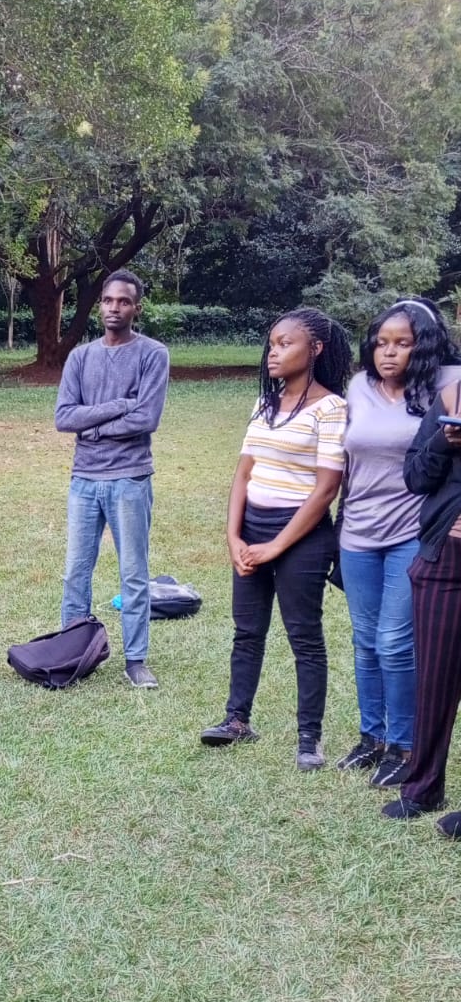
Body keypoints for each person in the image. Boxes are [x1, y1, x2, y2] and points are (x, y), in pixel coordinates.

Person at [200, 306, 349, 769]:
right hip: (251, 531)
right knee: (247, 633)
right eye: (271, 343)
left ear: (316, 349)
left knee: (304, 637)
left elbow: (326, 488)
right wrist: (233, 538)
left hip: (300, 538)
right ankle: (236, 720)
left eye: (286, 343)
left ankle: (309, 740)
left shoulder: (331, 408)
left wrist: (276, 546)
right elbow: (243, 474)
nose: (274, 352)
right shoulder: (265, 404)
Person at [336, 300, 452, 788]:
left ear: (423, 347)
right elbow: (344, 458)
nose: (389, 353)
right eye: (382, 343)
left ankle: (404, 746)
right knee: (365, 642)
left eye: (402, 344)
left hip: (412, 532)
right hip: (358, 531)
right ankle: (372, 737)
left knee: (394, 641)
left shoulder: (447, 385)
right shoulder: (359, 386)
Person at [53, 270, 171, 688]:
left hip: (130, 478)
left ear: (137, 307)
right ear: (99, 305)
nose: (113, 308)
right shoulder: (81, 357)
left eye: (123, 301)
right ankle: (70, 652)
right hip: (84, 478)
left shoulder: (153, 354)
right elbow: (64, 417)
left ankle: (135, 659)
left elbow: (147, 418)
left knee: (133, 573)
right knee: (75, 571)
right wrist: (118, 406)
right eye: (107, 301)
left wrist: (94, 424)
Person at [381, 376, 461, 832]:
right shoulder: (451, 396)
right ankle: (423, 786)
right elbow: (416, 477)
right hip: (445, 556)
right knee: (434, 677)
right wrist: (443, 439)